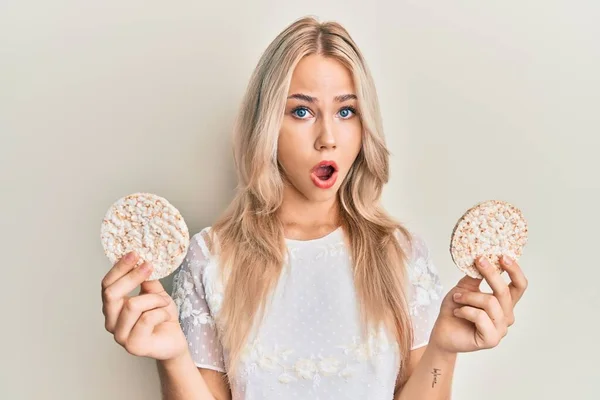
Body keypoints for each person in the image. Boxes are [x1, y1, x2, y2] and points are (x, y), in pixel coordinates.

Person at [100, 16, 528, 400]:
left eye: (346, 111)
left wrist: (443, 349)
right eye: (302, 111)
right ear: (267, 123)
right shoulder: (211, 257)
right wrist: (173, 357)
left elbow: (428, 389)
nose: (328, 137)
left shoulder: (401, 254)